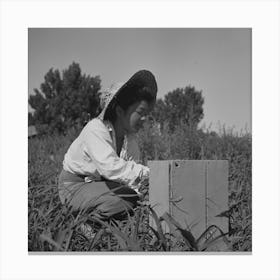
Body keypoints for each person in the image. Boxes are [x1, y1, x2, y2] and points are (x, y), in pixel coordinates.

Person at [58, 70, 158, 221]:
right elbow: (111, 168)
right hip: (74, 187)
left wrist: (145, 190)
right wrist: (152, 174)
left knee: (132, 198)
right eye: (140, 112)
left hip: (98, 186)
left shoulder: (130, 140)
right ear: (119, 110)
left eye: (147, 113)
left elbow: (129, 174)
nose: (144, 118)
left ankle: (102, 220)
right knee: (126, 198)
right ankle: (84, 224)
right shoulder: (96, 129)